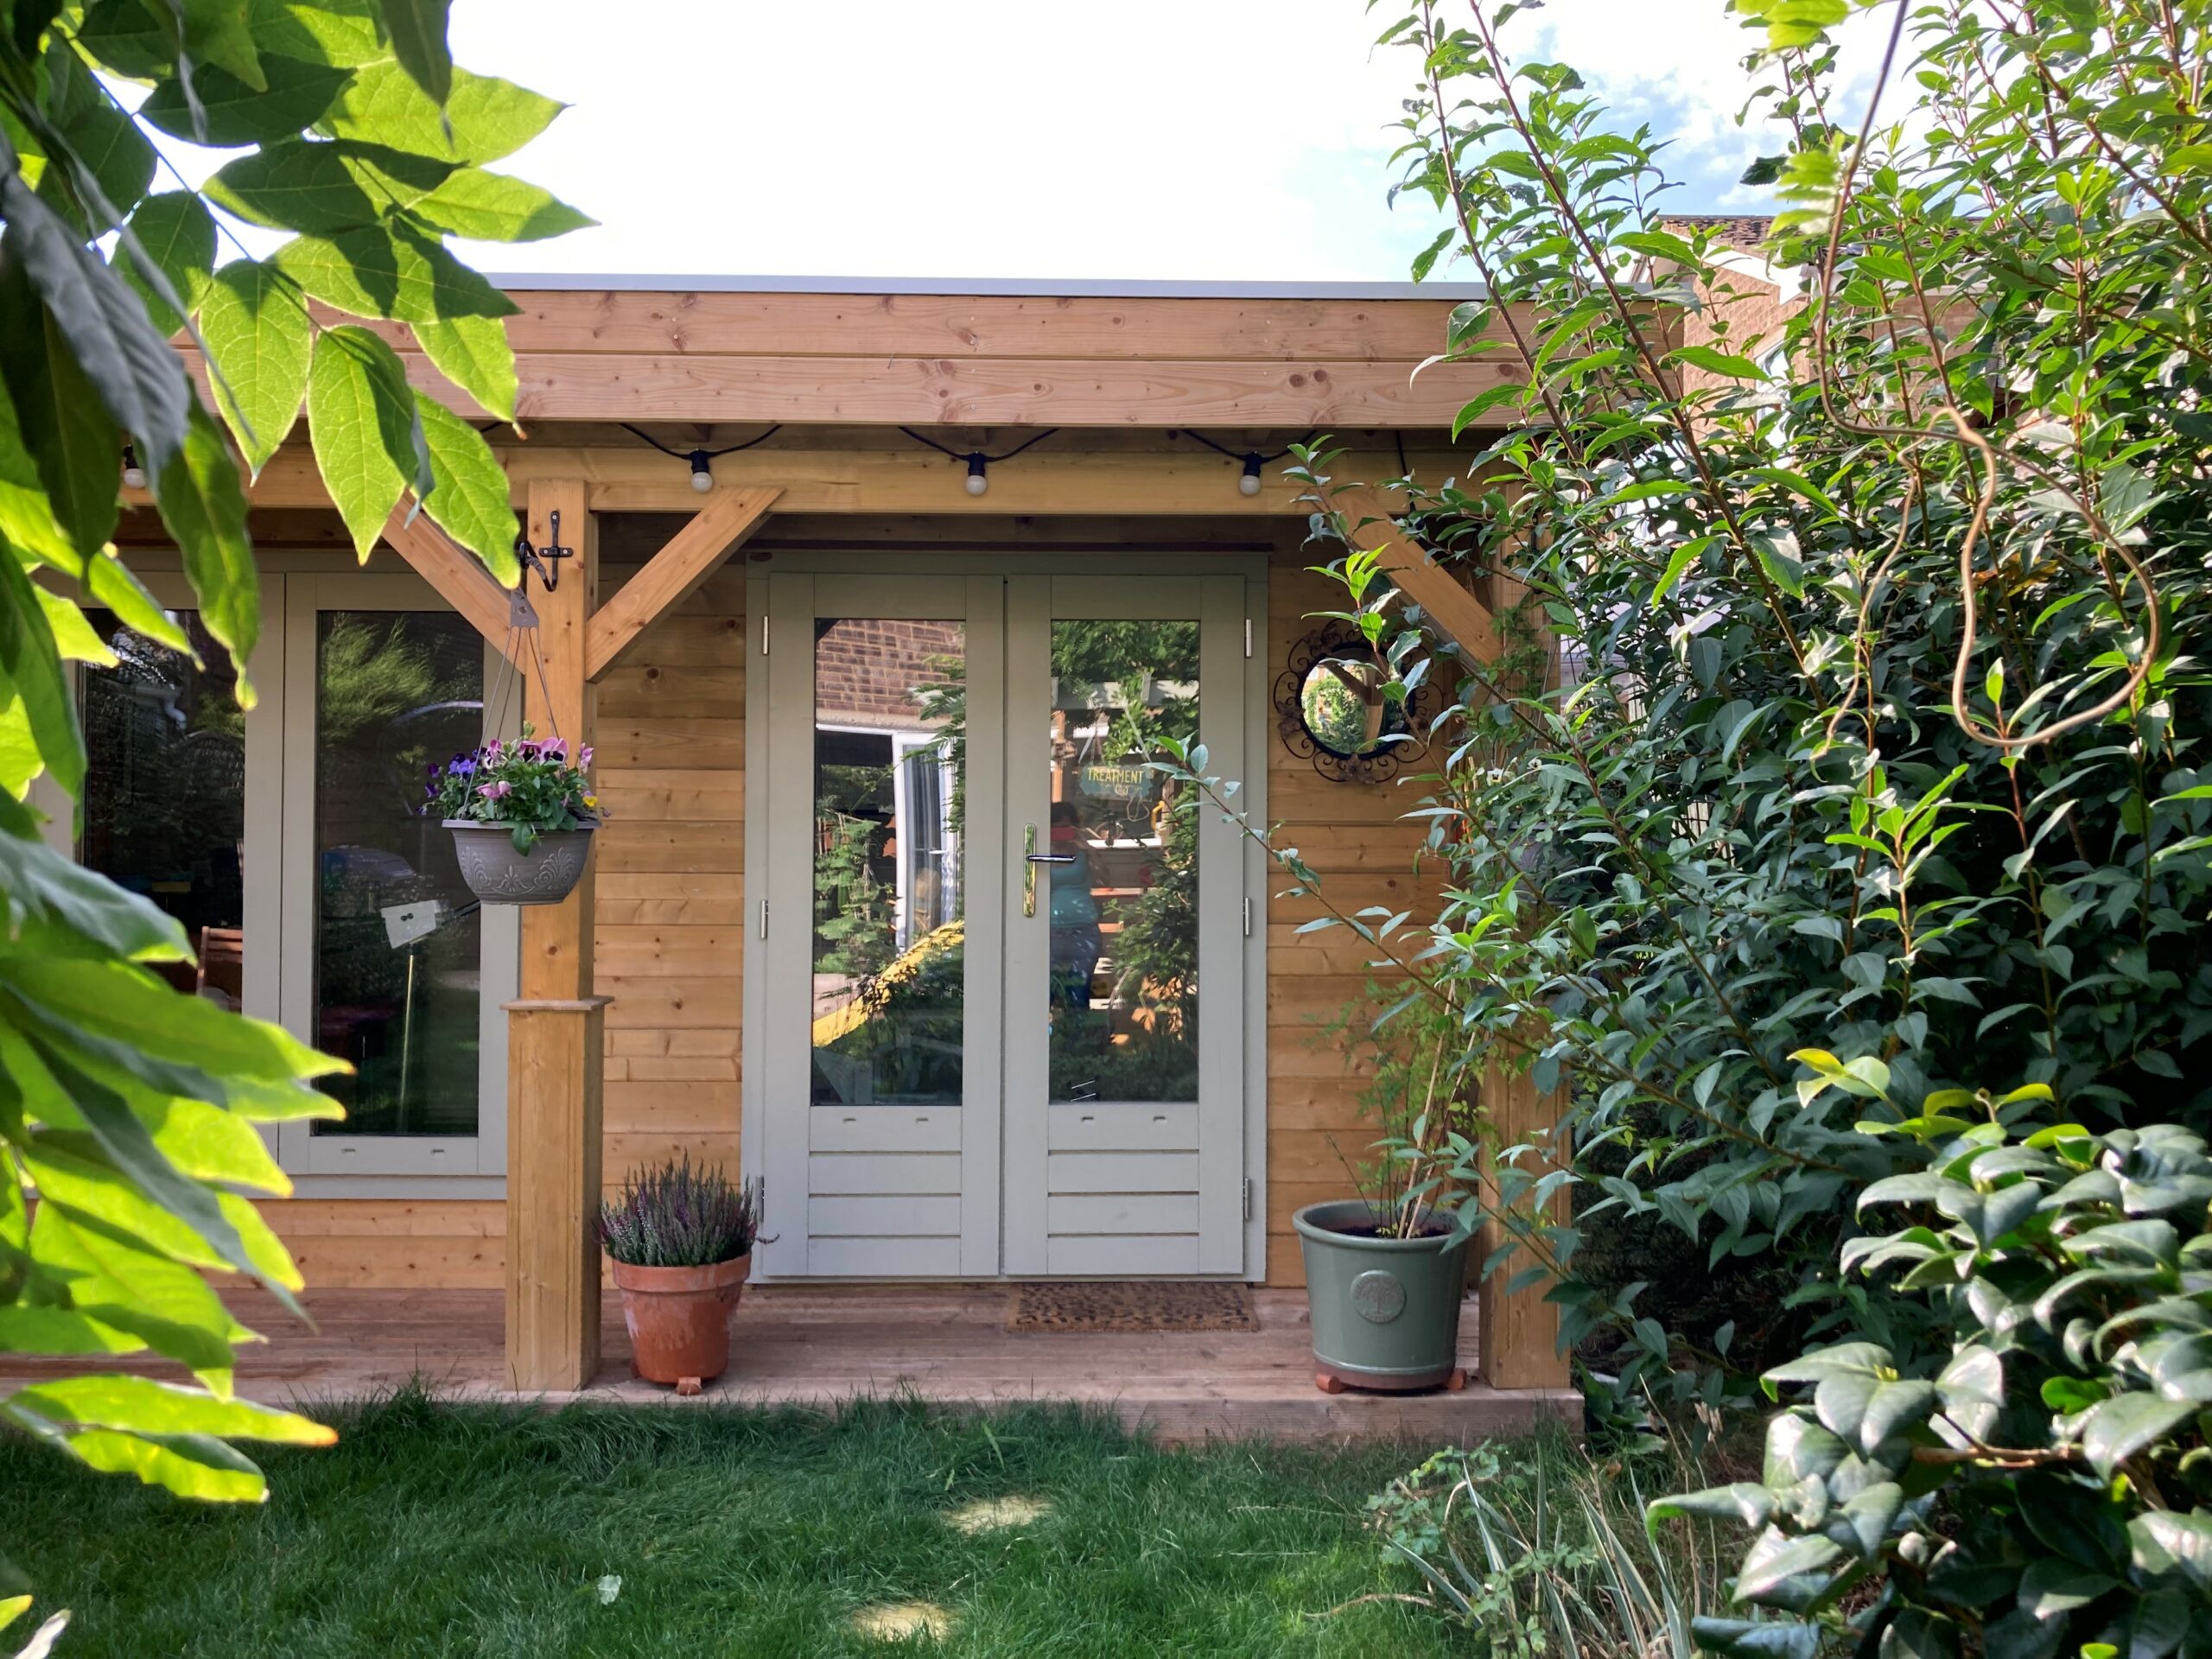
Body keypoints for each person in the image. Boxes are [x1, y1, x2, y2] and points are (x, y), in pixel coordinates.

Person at [1046, 801, 1103, 1014]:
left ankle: (1076, 1045)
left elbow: (1104, 879)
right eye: (1056, 826)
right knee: (1044, 994)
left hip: (1084, 930)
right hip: (1050, 932)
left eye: (1066, 827)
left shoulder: (1083, 853)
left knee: (1078, 997)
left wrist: (1088, 850)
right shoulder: (1040, 851)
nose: (1061, 831)